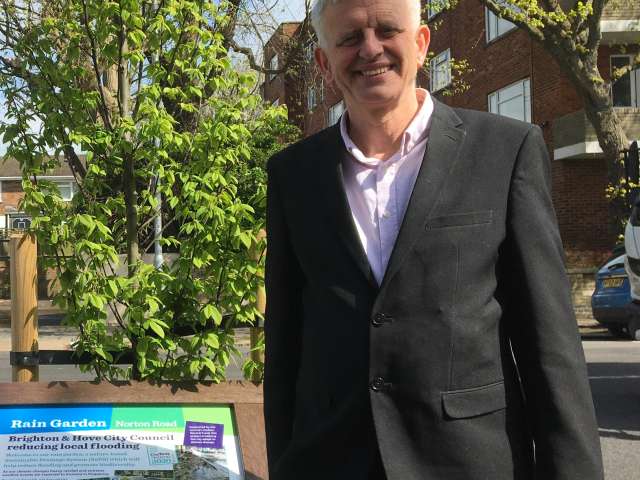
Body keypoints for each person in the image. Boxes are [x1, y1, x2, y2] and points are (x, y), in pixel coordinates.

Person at [263, 0, 604, 478]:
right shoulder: (292, 175)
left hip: (468, 460)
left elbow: (550, 345)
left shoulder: (505, 151)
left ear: (421, 44)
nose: (371, 49)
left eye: (387, 30)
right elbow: (285, 345)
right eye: (349, 38)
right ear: (323, 62)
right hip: (330, 460)